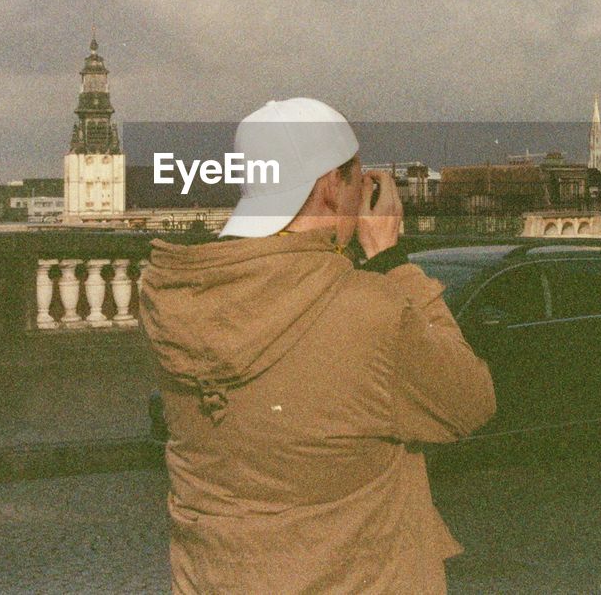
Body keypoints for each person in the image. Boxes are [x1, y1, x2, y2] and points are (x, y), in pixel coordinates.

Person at [139, 97, 496, 593]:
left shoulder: (171, 297)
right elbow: (470, 401)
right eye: (356, 179)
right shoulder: (372, 310)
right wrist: (394, 263)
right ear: (332, 185)